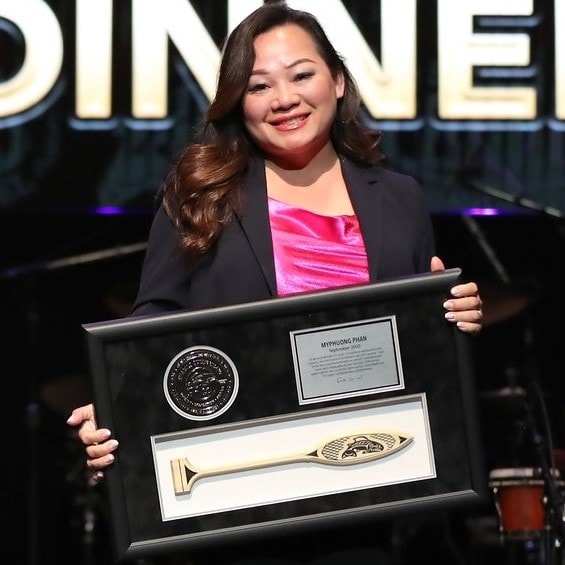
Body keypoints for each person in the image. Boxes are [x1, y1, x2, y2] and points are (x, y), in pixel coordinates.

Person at [67, 2, 482, 563]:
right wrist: (112, 403)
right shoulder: (202, 195)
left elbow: (415, 348)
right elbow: (153, 323)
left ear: (336, 80)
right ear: (239, 102)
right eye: (259, 85)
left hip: (366, 495)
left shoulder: (399, 197)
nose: (284, 99)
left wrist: (452, 316)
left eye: (302, 75)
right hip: (240, 496)